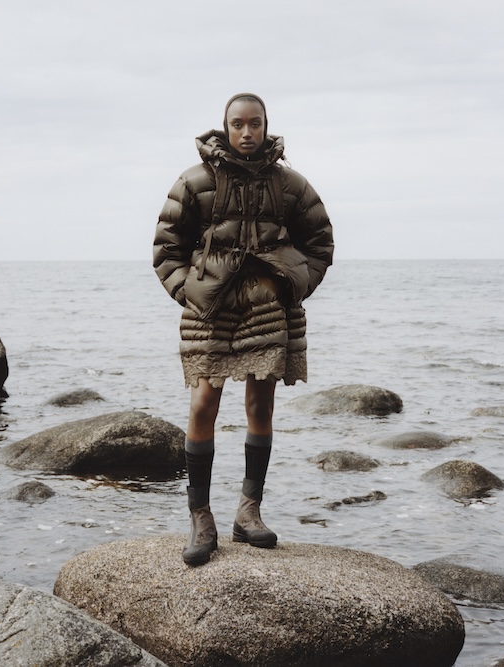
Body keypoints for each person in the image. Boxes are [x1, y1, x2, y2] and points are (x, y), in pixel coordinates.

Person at [153, 93, 334, 566]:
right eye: (238, 124)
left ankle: (248, 513)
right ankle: (200, 517)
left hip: (267, 308)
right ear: (225, 127)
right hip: (210, 309)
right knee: (204, 402)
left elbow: (320, 241)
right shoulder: (194, 182)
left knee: (260, 402)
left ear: (266, 125)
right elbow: (166, 249)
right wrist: (188, 293)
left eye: (255, 124)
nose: (247, 132)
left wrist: (294, 285)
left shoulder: (290, 184)